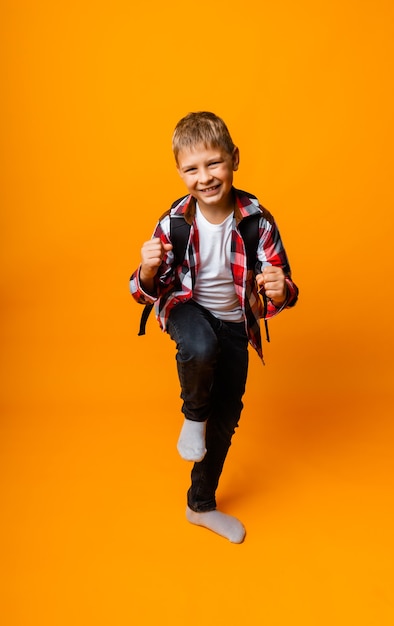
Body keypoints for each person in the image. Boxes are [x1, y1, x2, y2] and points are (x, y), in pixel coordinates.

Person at [129, 112, 298, 543]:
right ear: (180, 173)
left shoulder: (258, 221)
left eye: (214, 163)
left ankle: (200, 505)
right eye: (191, 168)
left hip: (236, 325)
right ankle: (193, 415)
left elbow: (284, 290)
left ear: (234, 159)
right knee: (200, 346)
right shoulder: (173, 223)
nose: (204, 177)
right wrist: (148, 271)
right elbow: (145, 290)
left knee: (225, 420)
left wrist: (279, 289)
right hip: (187, 309)